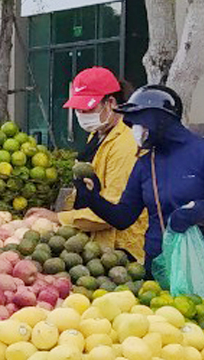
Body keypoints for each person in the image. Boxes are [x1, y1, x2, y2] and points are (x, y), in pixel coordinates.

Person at [72, 85, 204, 275]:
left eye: (138, 123)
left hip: (199, 265)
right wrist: (92, 198)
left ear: (160, 119)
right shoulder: (145, 162)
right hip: (158, 266)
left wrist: (200, 210)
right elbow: (123, 217)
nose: (135, 130)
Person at [62, 67, 147, 263]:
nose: (82, 114)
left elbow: (114, 207)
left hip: (121, 251)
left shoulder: (127, 142)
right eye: (79, 108)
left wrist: (60, 219)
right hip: (94, 245)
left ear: (110, 103)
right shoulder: (97, 133)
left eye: (88, 108)